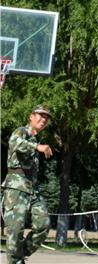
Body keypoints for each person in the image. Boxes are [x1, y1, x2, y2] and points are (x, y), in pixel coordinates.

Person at [2, 105, 53, 264]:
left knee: (43, 225)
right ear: (31, 116)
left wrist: (37, 144)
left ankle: (17, 257)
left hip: (32, 189)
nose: (43, 119)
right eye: (40, 115)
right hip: (16, 188)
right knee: (15, 231)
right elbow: (14, 142)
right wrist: (37, 147)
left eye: (46, 117)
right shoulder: (21, 131)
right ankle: (16, 260)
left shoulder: (36, 137)